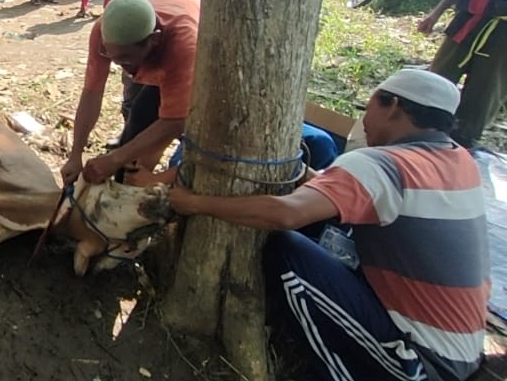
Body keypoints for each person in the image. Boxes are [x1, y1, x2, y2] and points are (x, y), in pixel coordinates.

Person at [167, 68, 489, 381]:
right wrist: (309, 177)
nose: (364, 119)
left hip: (421, 362)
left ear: (394, 107)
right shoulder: (463, 161)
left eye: (370, 107)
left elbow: (285, 214)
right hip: (463, 354)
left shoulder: (379, 164)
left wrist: (195, 203)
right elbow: (367, 196)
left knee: (287, 250)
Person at [60, 0, 199, 185]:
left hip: (194, 59)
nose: (118, 65)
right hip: (156, 54)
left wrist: (115, 160)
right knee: (138, 117)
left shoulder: (183, 45)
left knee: (186, 144)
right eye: (111, 56)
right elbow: (92, 92)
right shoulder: (104, 32)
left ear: (153, 40)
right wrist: (75, 155)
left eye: (125, 58)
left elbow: (176, 121)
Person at [418, 0, 507, 148]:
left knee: (484, 92)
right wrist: (434, 15)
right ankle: (419, 128)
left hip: (503, 35)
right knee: (438, 77)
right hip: (468, 20)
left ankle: (462, 142)